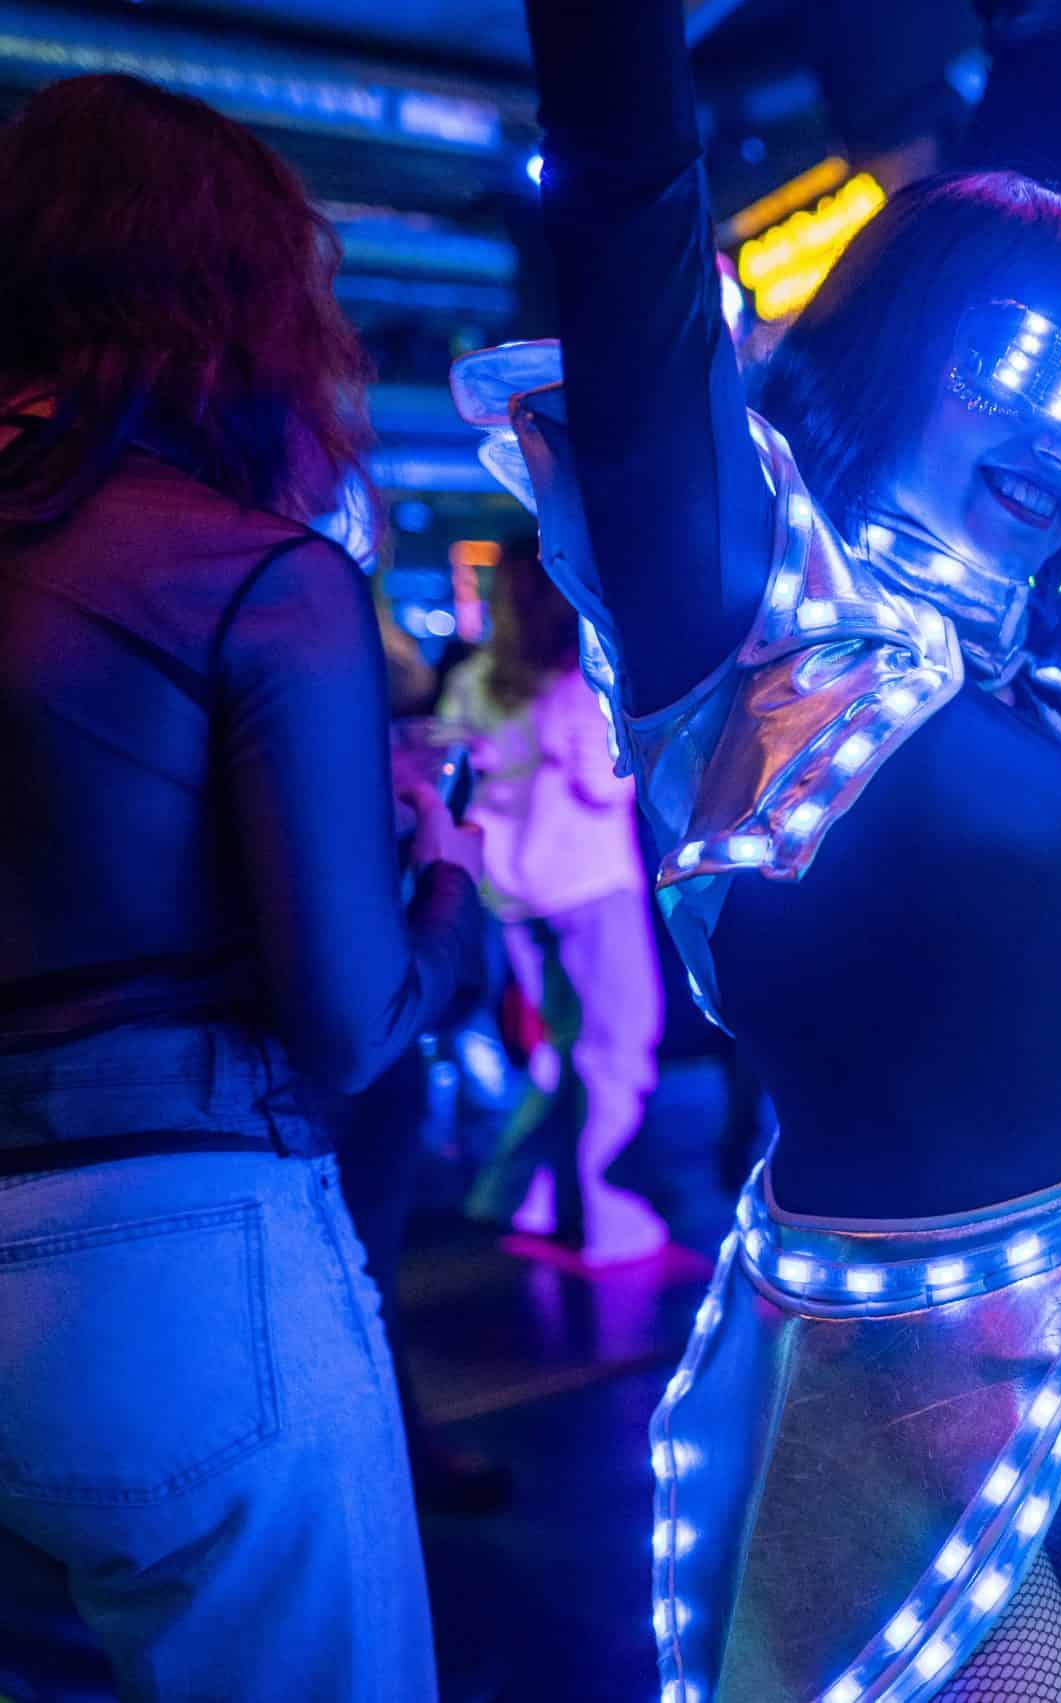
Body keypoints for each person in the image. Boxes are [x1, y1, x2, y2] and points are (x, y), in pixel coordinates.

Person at [458, 2, 1061, 1697]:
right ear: (902, 335)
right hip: (882, 1360)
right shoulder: (761, 633)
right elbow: (627, 202)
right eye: (1030, 363)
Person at [0, 73, 484, 1701]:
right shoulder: (258, 577)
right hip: (177, 1259)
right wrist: (449, 896)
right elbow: (350, 1025)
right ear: (239, 301)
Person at [441, 533, 669, 1265]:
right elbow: (604, 785)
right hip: (590, 886)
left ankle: (519, 1195)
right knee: (618, 1050)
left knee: (557, 1053)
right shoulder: (578, 684)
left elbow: (459, 781)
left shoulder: (476, 680)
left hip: (514, 895)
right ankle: (599, 1216)